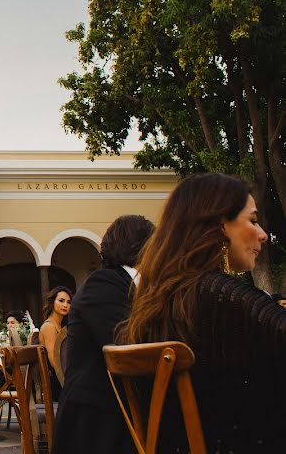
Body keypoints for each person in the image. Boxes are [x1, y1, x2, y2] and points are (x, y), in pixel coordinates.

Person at [119, 173, 285, 453]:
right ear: (220, 225)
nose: (263, 234)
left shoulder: (156, 304)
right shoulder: (219, 296)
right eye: (253, 220)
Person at [53, 214, 154, 454]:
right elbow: (130, 346)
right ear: (144, 248)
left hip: (117, 408)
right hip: (96, 421)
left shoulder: (130, 285)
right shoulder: (104, 284)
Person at [39, 285, 72, 397]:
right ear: (53, 302)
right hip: (56, 383)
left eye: (68, 302)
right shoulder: (49, 326)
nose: (65, 305)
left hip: (62, 378)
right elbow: (55, 361)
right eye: (61, 301)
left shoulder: (59, 325)